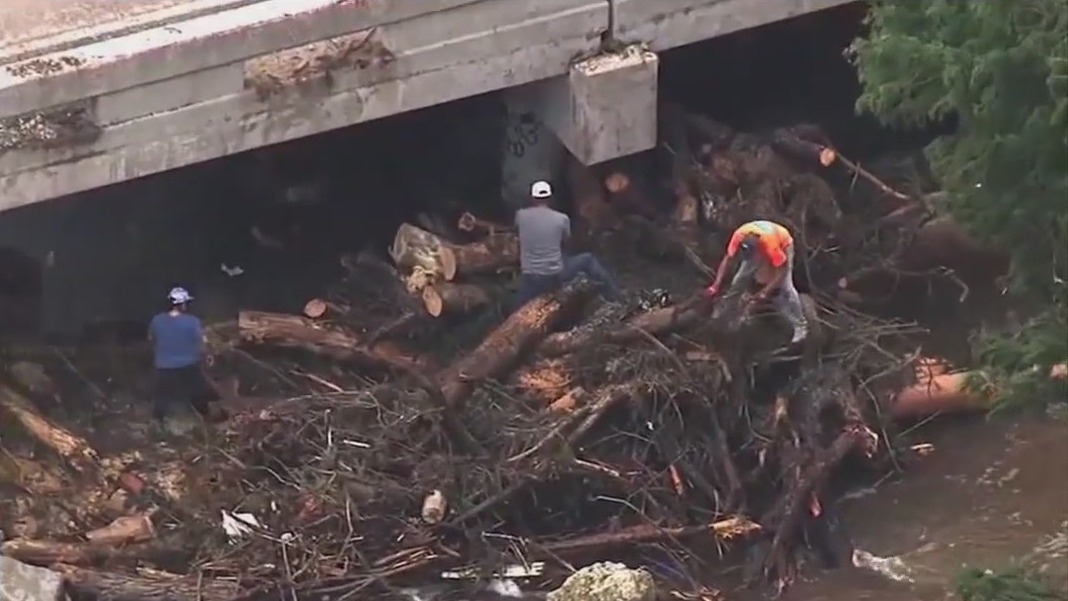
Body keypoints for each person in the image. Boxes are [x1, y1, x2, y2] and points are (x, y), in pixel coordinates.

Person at [513, 180, 622, 308]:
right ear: (550, 198)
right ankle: (615, 298)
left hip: (530, 277)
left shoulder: (520, 215)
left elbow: (519, 233)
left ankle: (511, 316)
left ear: (532, 197)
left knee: (519, 304)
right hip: (553, 276)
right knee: (588, 259)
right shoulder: (561, 218)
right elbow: (567, 242)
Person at [705, 220, 808, 343]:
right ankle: (728, 313)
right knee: (739, 279)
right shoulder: (738, 236)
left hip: (783, 241)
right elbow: (727, 260)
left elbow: (782, 270)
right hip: (759, 242)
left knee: (786, 287)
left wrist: (765, 291)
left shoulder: (771, 246)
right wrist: (716, 285)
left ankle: (800, 325)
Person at [148, 287, 212, 428]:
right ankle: (206, 420)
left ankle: (157, 422)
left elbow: (152, 339)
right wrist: (207, 357)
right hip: (188, 365)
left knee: (162, 395)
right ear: (183, 304)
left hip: (163, 365)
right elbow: (202, 344)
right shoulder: (192, 321)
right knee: (197, 392)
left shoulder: (157, 320)